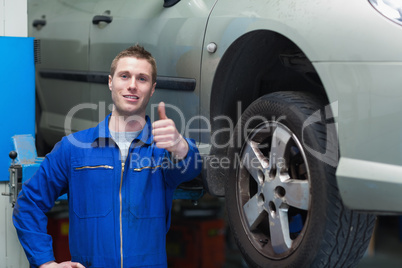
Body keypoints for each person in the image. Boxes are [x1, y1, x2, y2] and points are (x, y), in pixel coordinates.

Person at [13, 45, 202, 268]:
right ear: (111, 82)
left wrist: (180, 146)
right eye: (125, 76)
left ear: (152, 89)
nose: (132, 85)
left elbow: (192, 167)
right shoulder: (74, 148)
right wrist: (46, 262)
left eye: (142, 78)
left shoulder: (161, 150)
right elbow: (28, 204)